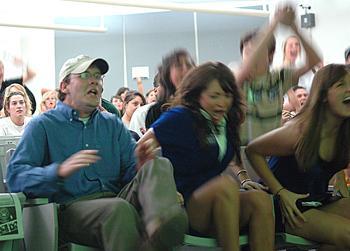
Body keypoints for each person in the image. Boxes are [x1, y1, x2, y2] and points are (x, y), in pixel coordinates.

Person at [6, 55, 187, 251]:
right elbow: (16, 176)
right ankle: (158, 238)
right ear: (65, 86)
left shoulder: (112, 124)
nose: (94, 80)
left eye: (98, 76)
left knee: (158, 163)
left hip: (117, 197)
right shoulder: (42, 125)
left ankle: (163, 225)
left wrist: (139, 164)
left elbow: (129, 172)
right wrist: (57, 172)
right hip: (73, 209)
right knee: (118, 210)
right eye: (85, 75)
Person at [138, 62, 274, 251]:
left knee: (261, 200)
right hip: (185, 206)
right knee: (225, 185)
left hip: (220, 203)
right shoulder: (180, 117)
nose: (222, 102)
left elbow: (227, 156)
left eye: (227, 95)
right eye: (214, 96)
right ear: (197, 95)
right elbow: (141, 150)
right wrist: (163, 188)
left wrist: (244, 177)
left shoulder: (226, 120)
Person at [245, 64, 350, 250]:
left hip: (317, 200)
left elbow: (334, 168)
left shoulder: (343, 132)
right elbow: (252, 151)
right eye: (341, 85)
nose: (349, 89)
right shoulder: (299, 131)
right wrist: (280, 191)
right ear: (324, 95)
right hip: (287, 208)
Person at [235, 5, 321, 145]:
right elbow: (244, 71)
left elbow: (314, 60)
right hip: (245, 151)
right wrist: (274, 22)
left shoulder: (280, 77)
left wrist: (293, 26)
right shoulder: (240, 79)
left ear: (270, 55)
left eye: (256, 51)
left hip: (271, 149)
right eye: (247, 53)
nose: (252, 57)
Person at [145, 48, 195, 129]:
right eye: (178, 66)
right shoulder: (156, 111)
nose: (185, 69)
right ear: (167, 73)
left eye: (189, 65)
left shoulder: (202, 104)